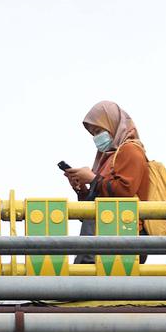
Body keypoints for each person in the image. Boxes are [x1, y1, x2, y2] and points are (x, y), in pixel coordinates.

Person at [64, 101, 150, 264]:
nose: (96, 138)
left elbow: (125, 191)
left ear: (113, 124)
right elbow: (99, 202)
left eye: (98, 131)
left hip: (122, 236)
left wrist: (92, 178)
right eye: (93, 134)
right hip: (103, 235)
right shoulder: (108, 158)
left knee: (86, 282)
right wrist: (82, 189)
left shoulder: (130, 150)